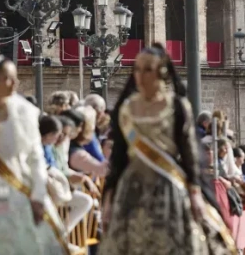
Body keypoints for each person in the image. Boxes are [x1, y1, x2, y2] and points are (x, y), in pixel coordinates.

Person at [100, 45, 235, 255]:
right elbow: (118, 157)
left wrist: (195, 193)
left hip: (168, 187)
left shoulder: (177, 106)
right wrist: (108, 198)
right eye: (137, 69)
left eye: (147, 69)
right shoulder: (125, 109)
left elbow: (190, 153)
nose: (140, 76)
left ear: (161, 72)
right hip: (131, 189)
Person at [0, 55, 67, 254]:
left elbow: (35, 157)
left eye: (15, 78)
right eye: (7, 78)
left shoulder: (24, 112)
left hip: (18, 191)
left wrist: (38, 195)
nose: (14, 84)